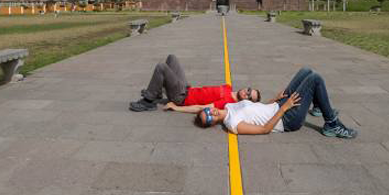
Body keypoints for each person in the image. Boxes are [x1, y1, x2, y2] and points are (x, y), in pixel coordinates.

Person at [195, 67, 357, 139]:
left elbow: (256, 109)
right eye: (208, 117)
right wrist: (285, 108)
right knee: (315, 79)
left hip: (278, 106)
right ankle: (331, 123)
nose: (211, 113)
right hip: (286, 119)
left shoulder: (228, 106)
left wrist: (275, 100)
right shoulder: (232, 124)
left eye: (207, 111)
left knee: (306, 71)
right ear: (212, 123)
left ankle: (318, 105)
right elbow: (264, 129)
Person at [129, 54, 261, 112]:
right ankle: (157, 92)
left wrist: (176, 108)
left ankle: (148, 101)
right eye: (249, 90)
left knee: (161, 67)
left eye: (249, 97)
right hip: (186, 88)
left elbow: (201, 108)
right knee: (172, 57)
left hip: (181, 98)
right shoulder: (228, 87)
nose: (246, 93)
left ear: (246, 101)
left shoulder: (227, 103)